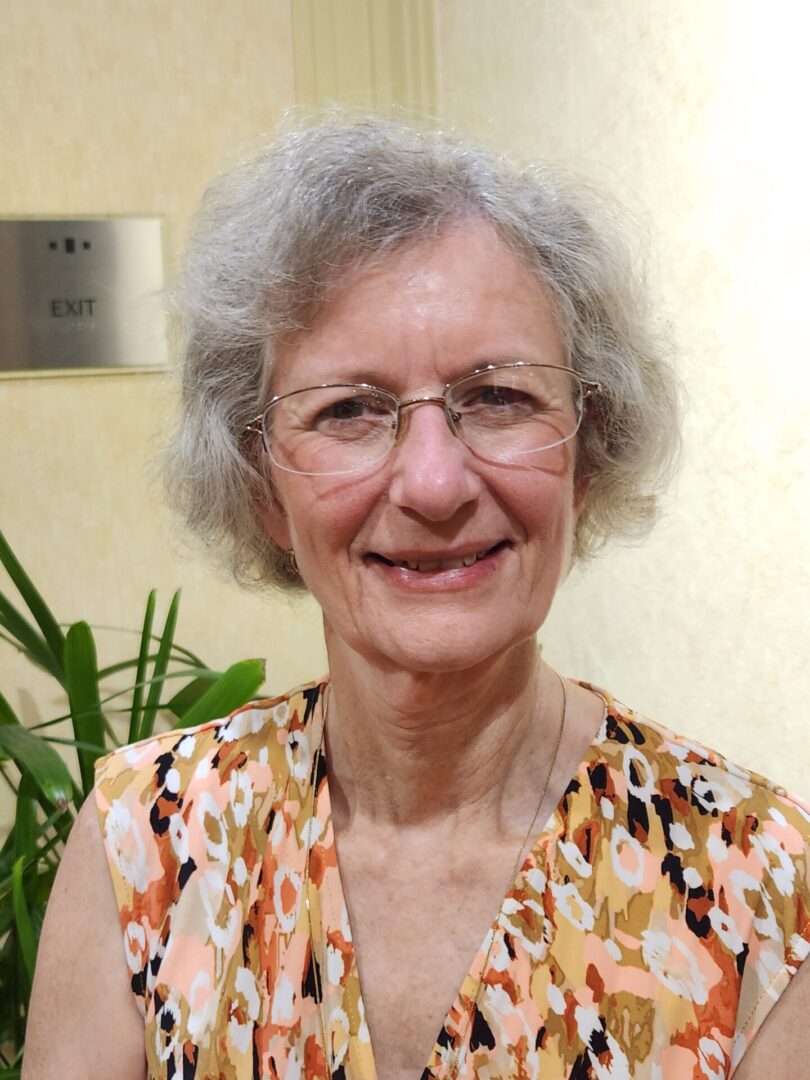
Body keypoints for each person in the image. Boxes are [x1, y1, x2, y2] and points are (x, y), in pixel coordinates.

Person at [24, 118, 809, 1080]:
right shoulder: (142, 847)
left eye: (499, 398)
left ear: (586, 460)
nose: (434, 485)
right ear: (263, 486)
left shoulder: (758, 884)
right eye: (349, 410)